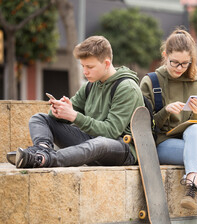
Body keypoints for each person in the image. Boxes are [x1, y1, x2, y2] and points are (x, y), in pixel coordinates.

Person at [13, 35, 144, 168]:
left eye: (90, 67)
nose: (85, 72)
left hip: (122, 149)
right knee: (39, 118)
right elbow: (64, 118)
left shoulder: (127, 88)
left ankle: (44, 159)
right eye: (82, 66)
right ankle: (41, 150)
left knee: (100, 143)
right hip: (90, 143)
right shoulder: (89, 85)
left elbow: (111, 132)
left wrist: (74, 116)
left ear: (106, 64)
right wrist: (59, 111)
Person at [140, 28, 197, 224]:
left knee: (196, 133)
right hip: (162, 143)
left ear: (191, 60)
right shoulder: (151, 82)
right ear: (165, 56)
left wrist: (196, 114)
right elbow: (144, 126)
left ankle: (191, 184)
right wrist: (165, 111)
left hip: (191, 142)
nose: (179, 68)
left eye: (185, 64)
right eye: (174, 62)